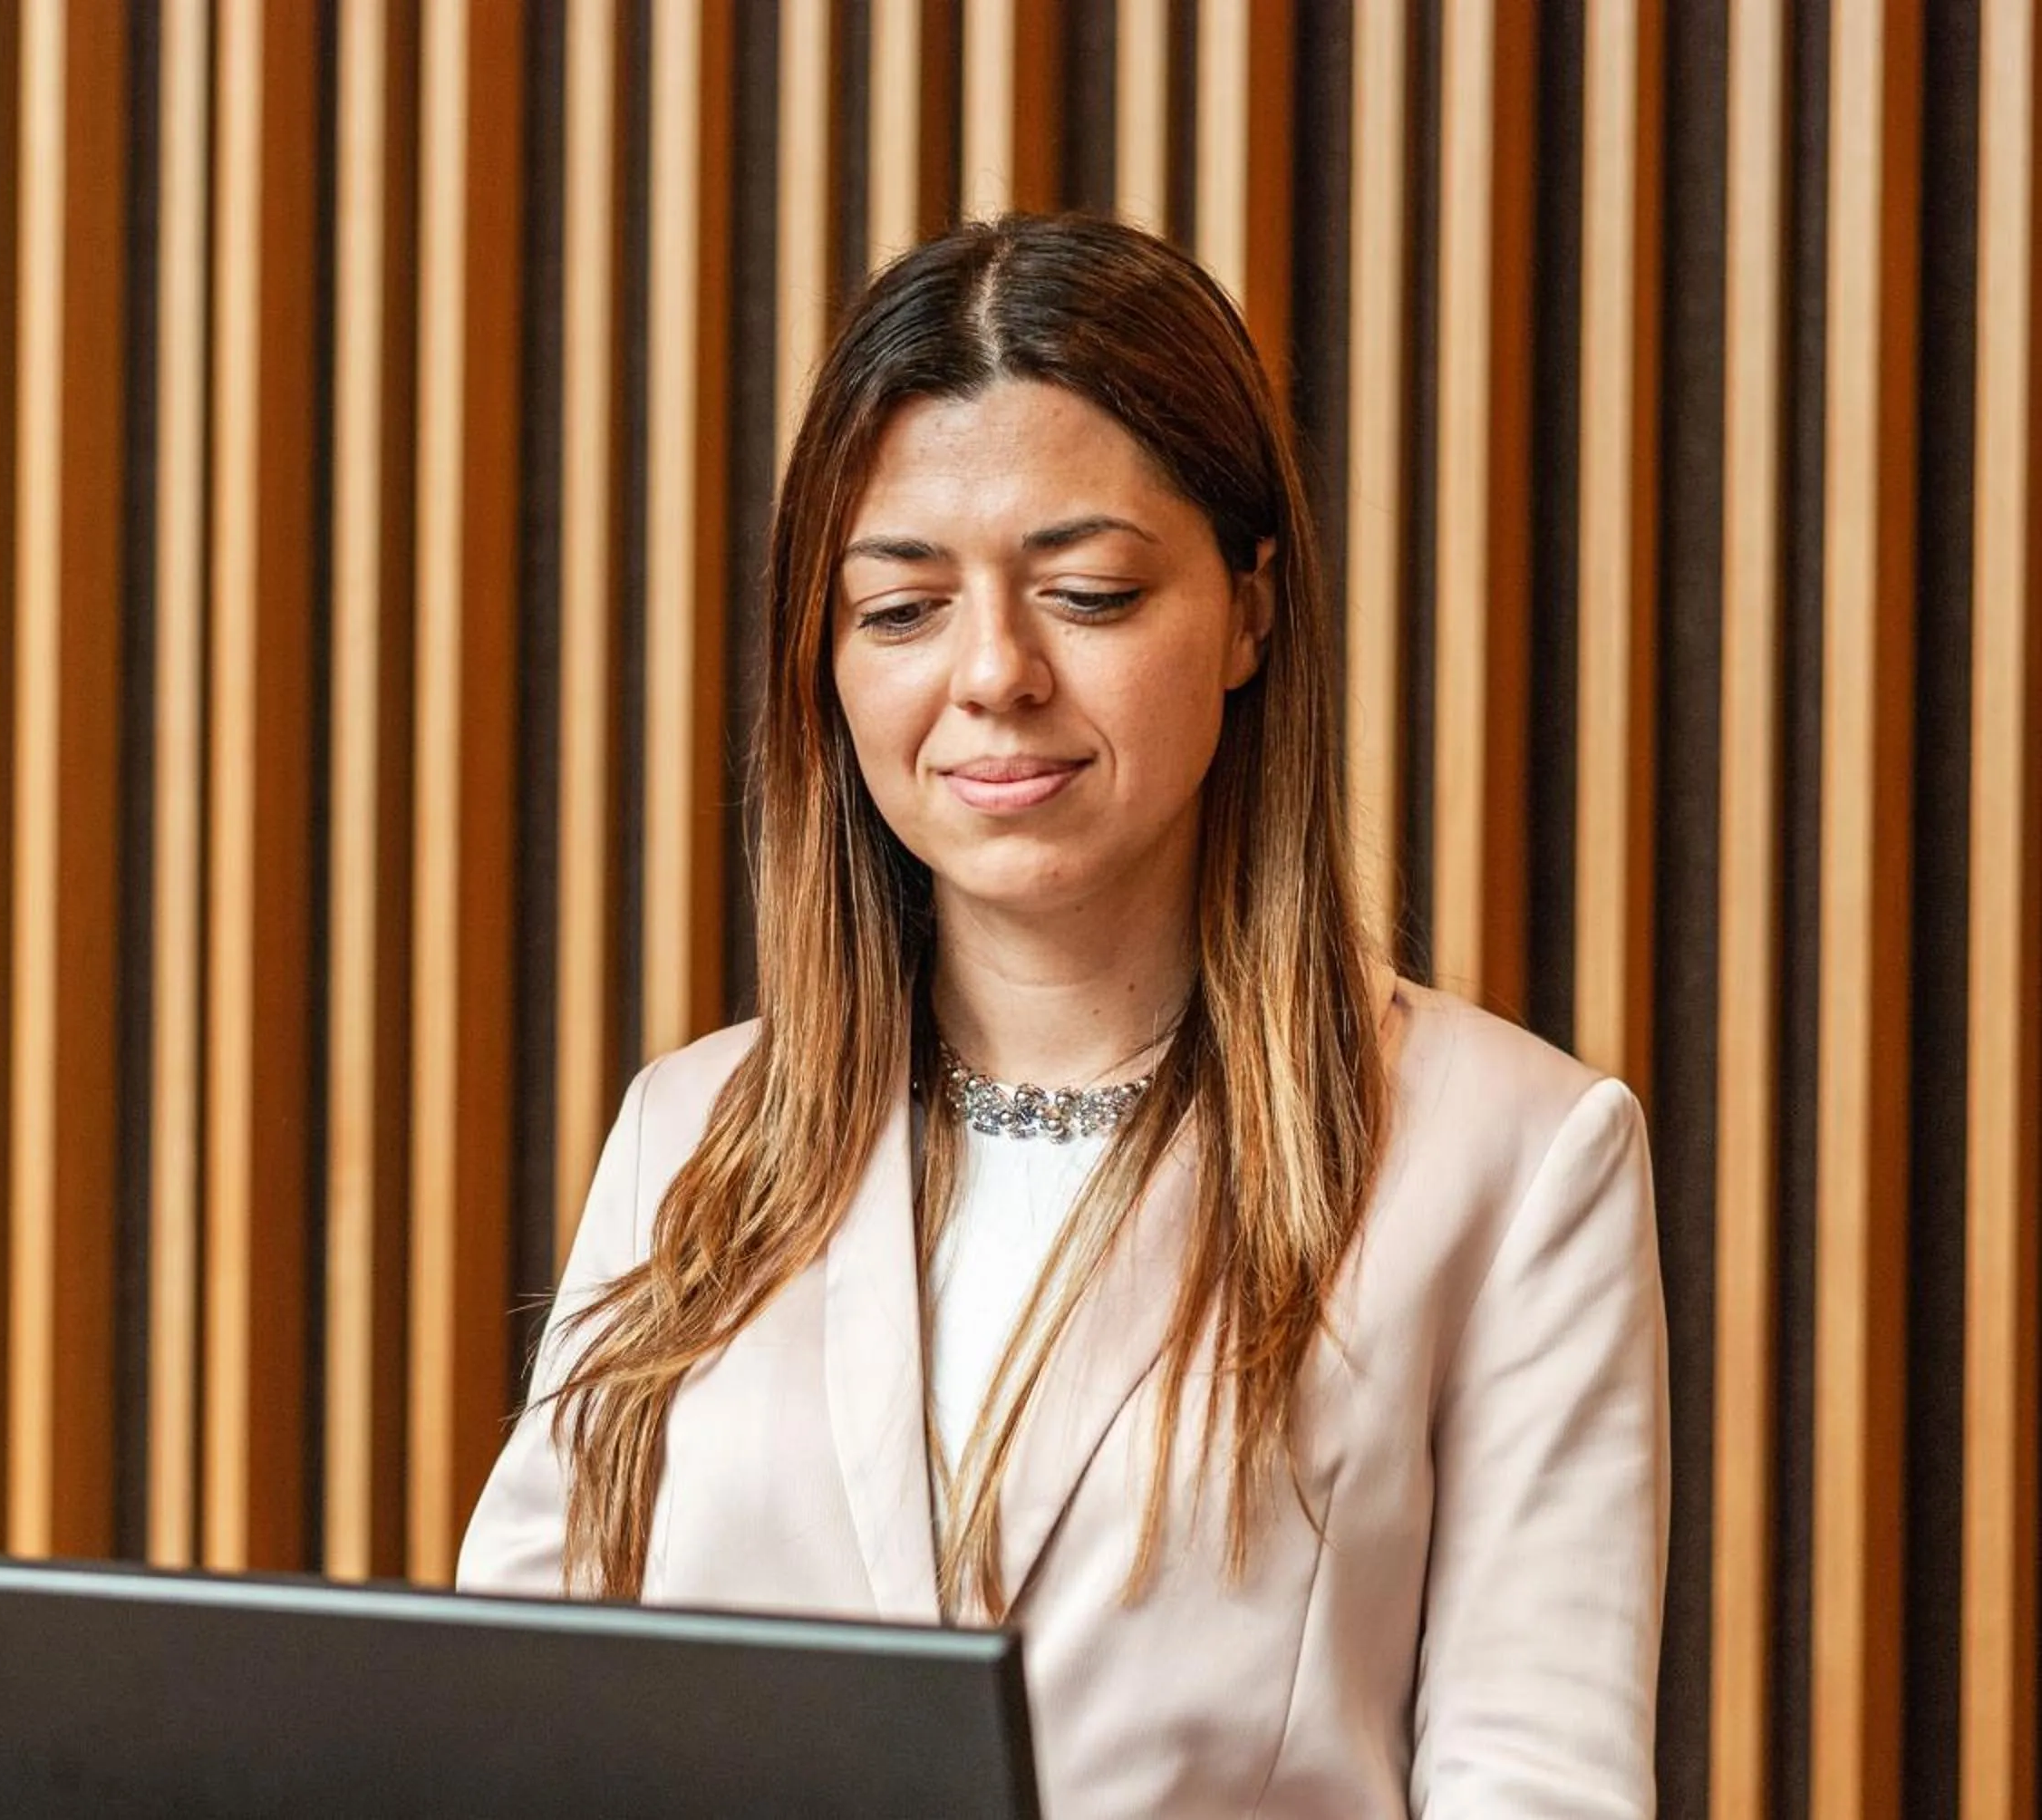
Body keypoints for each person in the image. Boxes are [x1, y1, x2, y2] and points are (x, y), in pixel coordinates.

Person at [458, 213, 1666, 1818]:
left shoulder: (1515, 1158)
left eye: (1087, 594)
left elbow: (1541, 1786)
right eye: (900, 611)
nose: (993, 675)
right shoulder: (689, 1131)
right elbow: (497, 1727)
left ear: (1247, 612)